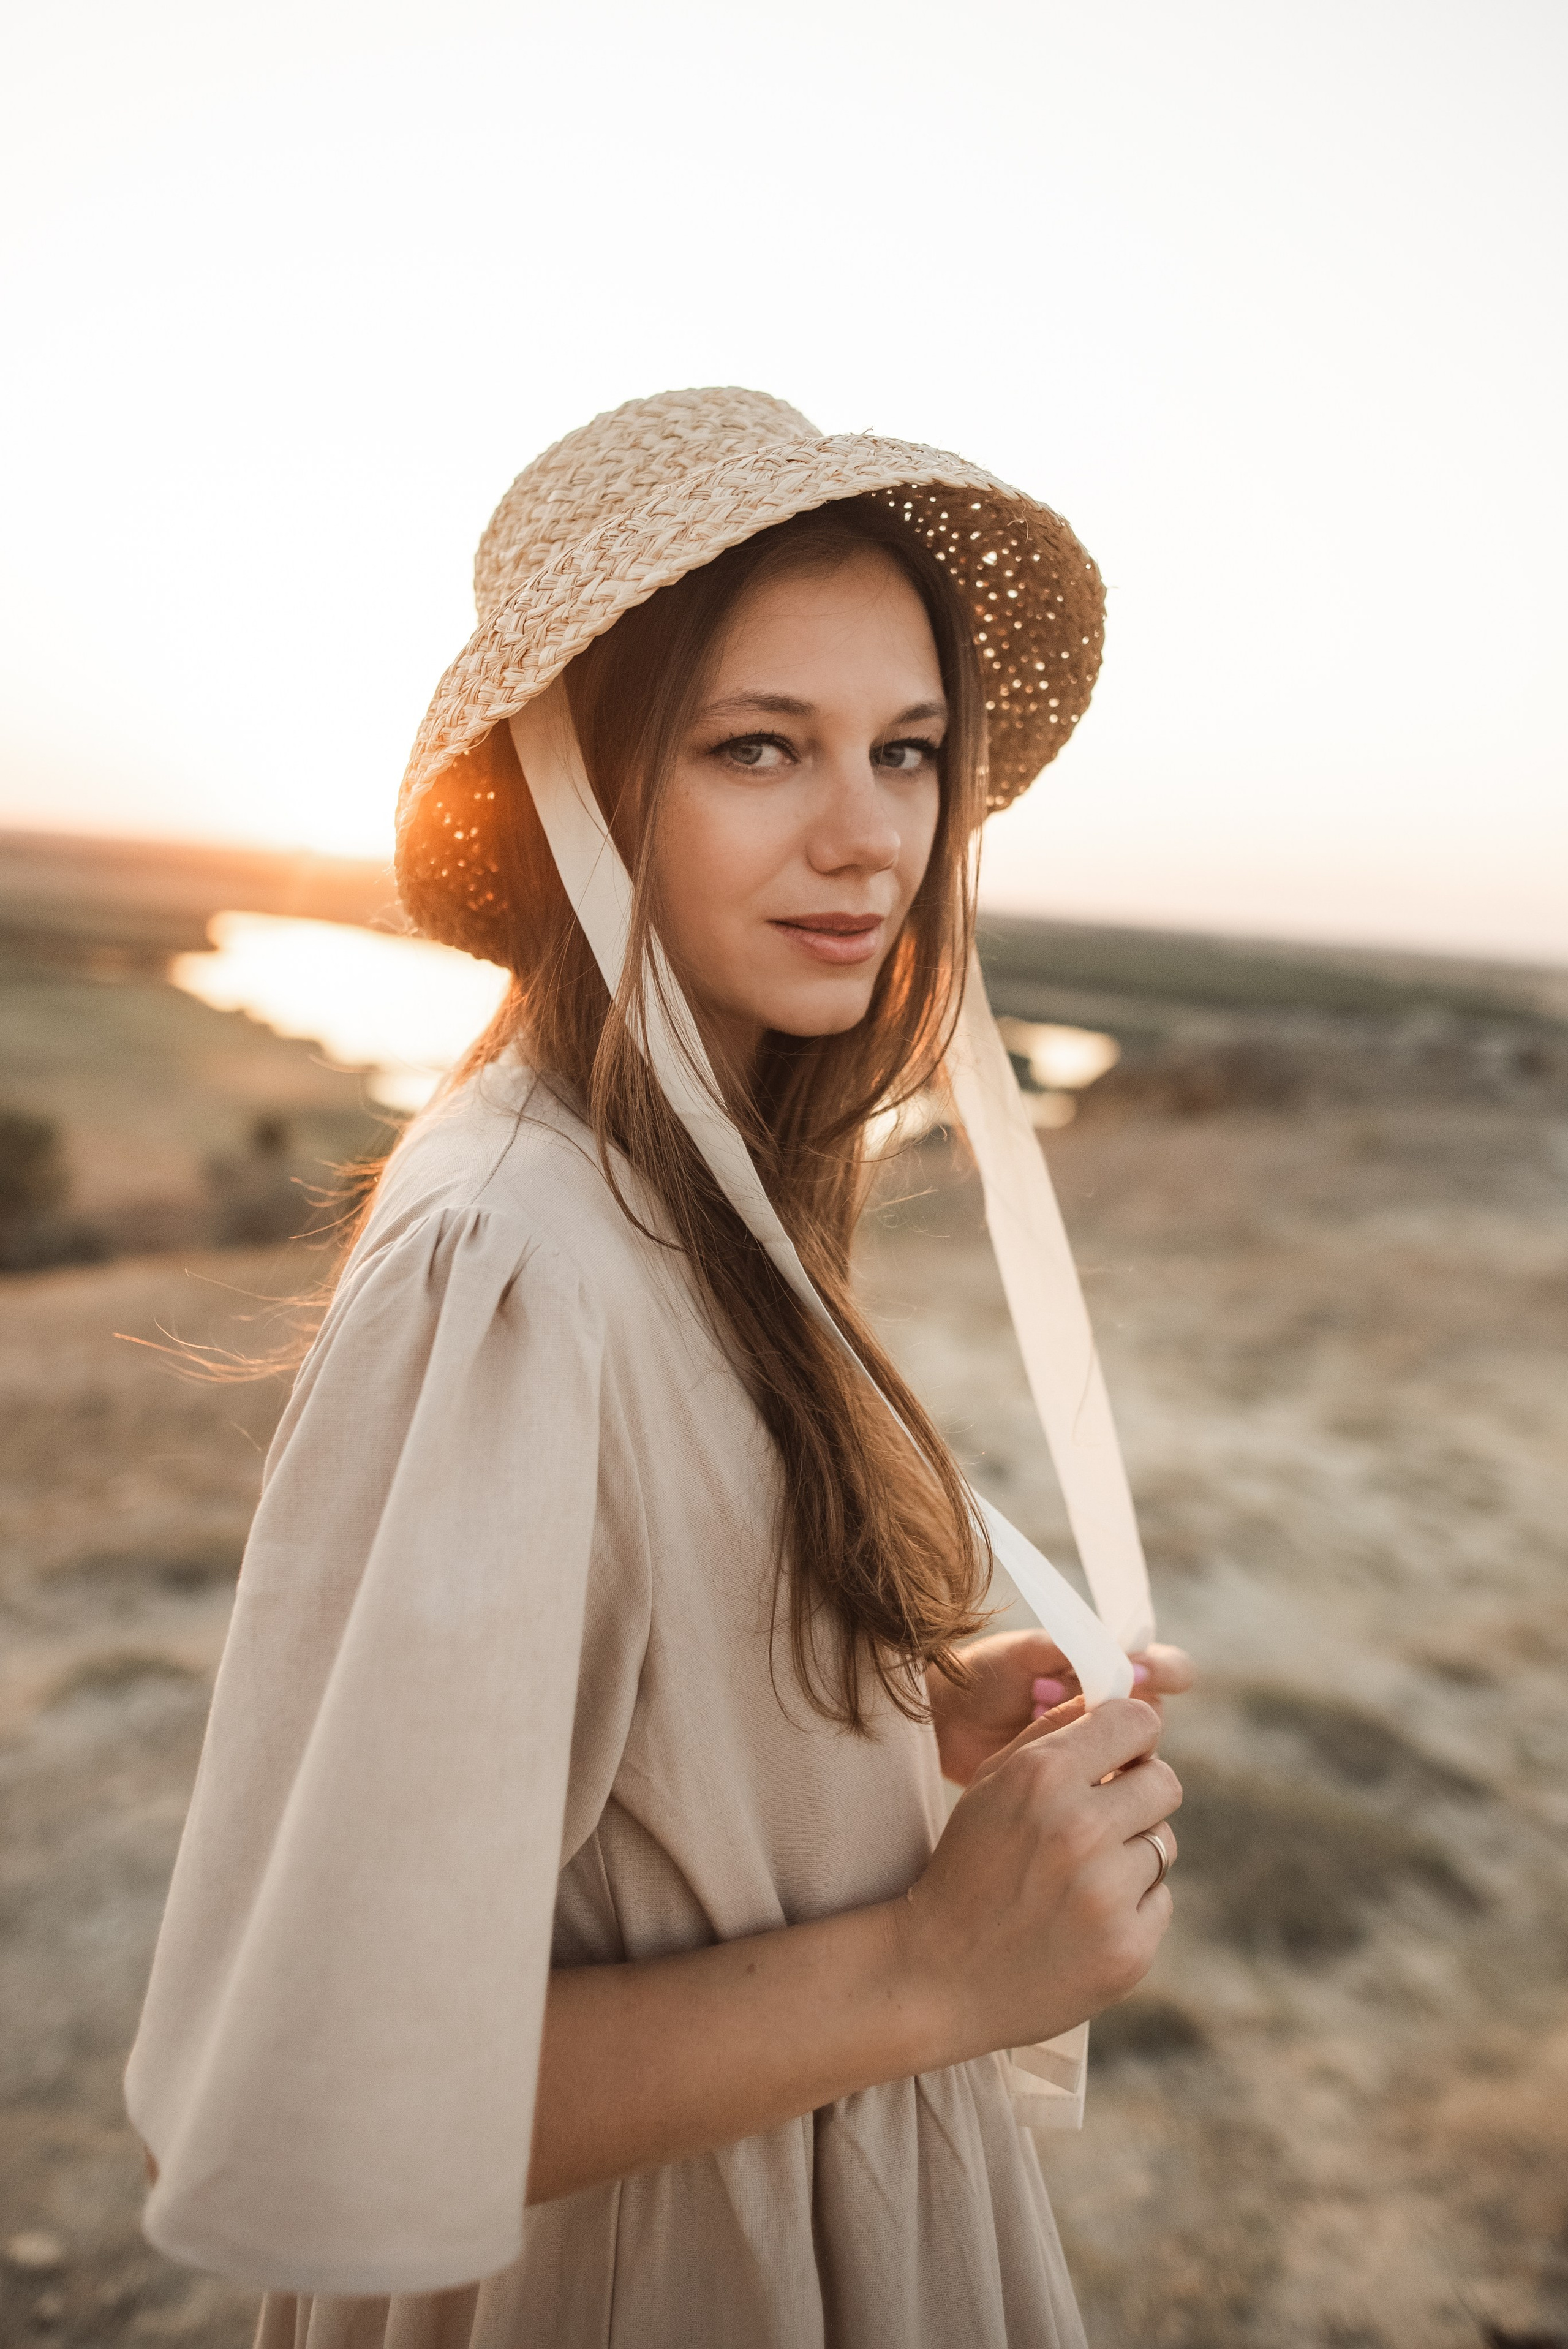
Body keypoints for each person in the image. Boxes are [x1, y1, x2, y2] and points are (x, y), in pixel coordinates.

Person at [126, 386, 1193, 2349]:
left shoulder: (694, 1188)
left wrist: (873, 1733)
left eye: (906, 750)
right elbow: (353, 2066)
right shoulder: (510, 1263)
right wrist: (932, 1967)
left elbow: (616, 1771)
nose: (868, 835)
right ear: (586, 787)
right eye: (758, 747)